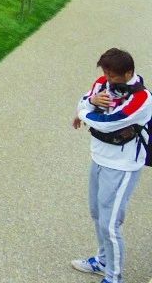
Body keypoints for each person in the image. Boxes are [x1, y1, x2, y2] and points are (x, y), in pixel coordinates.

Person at [70, 48, 150, 283]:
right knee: (97, 213)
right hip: (98, 157)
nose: (107, 79)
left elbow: (109, 123)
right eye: (105, 73)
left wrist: (83, 112)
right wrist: (91, 102)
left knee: (110, 223)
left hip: (122, 166)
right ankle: (103, 261)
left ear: (128, 73)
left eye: (112, 75)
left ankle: (114, 278)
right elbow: (84, 100)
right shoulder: (102, 83)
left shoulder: (143, 99)